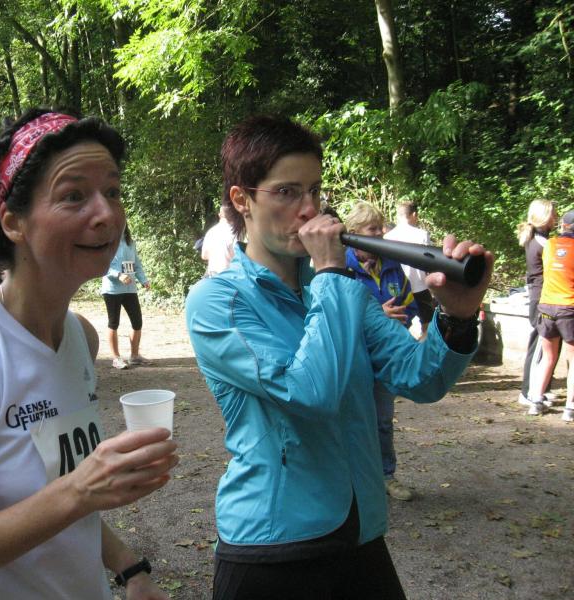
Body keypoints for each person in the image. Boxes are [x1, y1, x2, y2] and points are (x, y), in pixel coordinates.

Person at [185, 115, 493, 599]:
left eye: (314, 190)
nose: (309, 210)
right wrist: (330, 274)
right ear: (242, 199)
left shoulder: (339, 291)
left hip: (359, 535)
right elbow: (309, 394)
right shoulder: (218, 301)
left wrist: (457, 314)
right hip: (272, 547)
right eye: (287, 192)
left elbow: (422, 378)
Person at [0, 109, 178, 599]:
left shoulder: (80, 337)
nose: (107, 213)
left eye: (112, 191)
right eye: (74, 195)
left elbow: (53, 492)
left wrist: (130, 570)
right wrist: (81, 489)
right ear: (13, 222)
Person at [344, 202, 418, 503]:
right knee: (351, 420)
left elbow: (409, 303)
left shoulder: (391, 264)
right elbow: (333, 315)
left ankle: (387, 475)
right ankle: (352, 480)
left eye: (380, 228)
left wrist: (400, 318)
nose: (379, 233)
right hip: (353, 357)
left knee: (383, 421)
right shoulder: (341, 267)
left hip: (385, 359)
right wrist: (377, 316)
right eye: (372, 229)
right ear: (354, 233)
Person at [528, 209, 574, 421]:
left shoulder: (550, 245)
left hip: (547, 307)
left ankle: (536, 401)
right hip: (569, 308)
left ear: (563, 225)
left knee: (548, 357)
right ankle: (570, 408)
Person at [516, 199, 558, 410]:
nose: (556, 218)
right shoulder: (540, 242)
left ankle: (542, 388)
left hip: (546, 296)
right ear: (544, 217)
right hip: (541, 298)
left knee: (549, 345)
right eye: (553, 214)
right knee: (540, 344)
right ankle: (528, 392)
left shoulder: (542, 239)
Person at [101, 225, 151, 369]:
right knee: (113, 323)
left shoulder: (130, 243)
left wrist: (143, 280)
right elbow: (103, 265)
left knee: (137, 322)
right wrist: (118, 275)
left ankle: (134, 356)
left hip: (130, 290)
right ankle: (116, 358)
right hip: (112, 290)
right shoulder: (106, 243)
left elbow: (136, 264)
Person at [384, 201, 434, 338]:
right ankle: (424, 347)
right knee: (428, 325)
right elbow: (429, 263)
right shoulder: (422, 234)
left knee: (398, 324)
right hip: (419, 286)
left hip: (397, 288)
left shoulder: (387, 237)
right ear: (414, 214)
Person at [201, 205, 238, 276]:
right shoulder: (236, 233)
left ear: (220, 215)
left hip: (213, 275)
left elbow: (204, 256)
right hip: (230, 275)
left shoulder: (211, 232)